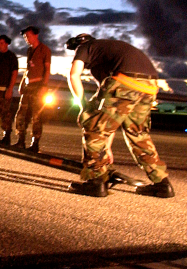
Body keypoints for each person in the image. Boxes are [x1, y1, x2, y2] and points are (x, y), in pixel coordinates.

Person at [65, 33, 174, 198]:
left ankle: (96, 182)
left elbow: (73, 75)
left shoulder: (85, 46)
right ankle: (162, 184)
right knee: (138, 134)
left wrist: (83, 106)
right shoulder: (108, 53)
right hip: (150, 84)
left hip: (126, 79)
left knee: (92, 126)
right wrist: (107, 147)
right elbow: (110, 117)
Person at [12, 26, 51, 152]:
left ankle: (35, 143)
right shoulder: (29, 51)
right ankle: (20, 140)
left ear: (36, 35)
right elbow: (28, 69)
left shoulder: (44, 50)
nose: (27, 39)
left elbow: (47, 70)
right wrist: (23, 82)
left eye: (28, 36)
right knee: (21, 114)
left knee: (37, 116)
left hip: (38, 86)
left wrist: (44, 86)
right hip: (28, 86)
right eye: (25, 37)